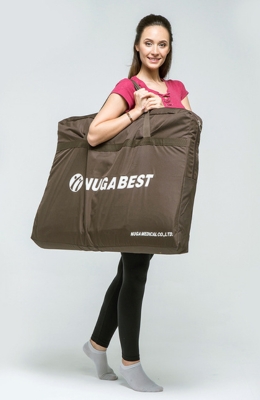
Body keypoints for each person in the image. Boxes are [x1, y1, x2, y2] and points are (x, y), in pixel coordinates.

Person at [82, 14, 192, 393]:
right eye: (148, 42)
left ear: (169, 48)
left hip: (161, 193)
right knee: (136, 272)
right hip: (133, 190)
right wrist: (137, 111)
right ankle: (130, 363)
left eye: (162, 44)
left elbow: (187, 137)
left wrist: (170, 114)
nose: (155, 50)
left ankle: (96, 346)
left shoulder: (177, 88)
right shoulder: (129, 87)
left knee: (128, 270)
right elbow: (95, 134)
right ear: (137, 46)